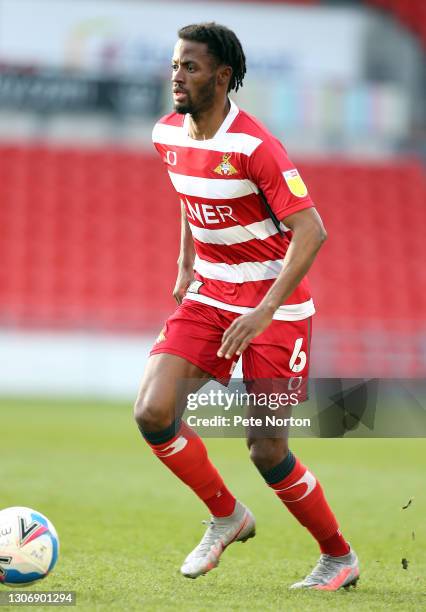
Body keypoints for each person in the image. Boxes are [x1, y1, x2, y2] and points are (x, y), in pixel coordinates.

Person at [134, 22, 359, 590]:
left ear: (223, 75)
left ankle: (338, 557)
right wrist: (186, 262)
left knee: (266, 449)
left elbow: (312, 232)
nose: (176, 76)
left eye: (190, 66)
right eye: (174, 65)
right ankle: (227, 516)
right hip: (210, 295)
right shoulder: (167, 133)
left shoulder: (257, 145)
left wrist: (262, 312)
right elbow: (191, 197)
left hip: (276, 310)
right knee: (152, 413)